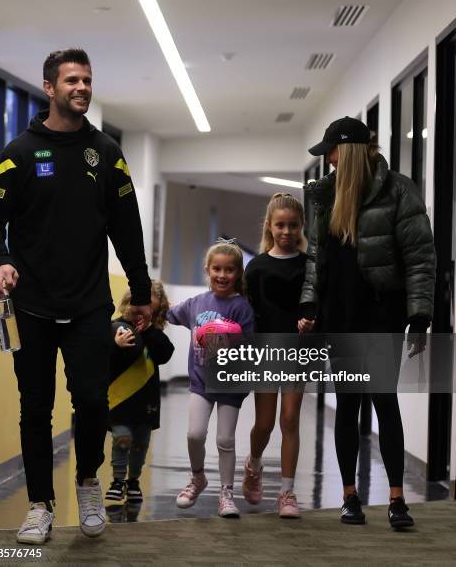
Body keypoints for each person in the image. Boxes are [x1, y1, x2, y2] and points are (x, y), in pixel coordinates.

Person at [0, 48, 152, 544]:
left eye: (88, 80)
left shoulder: (108, 154)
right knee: (35, 408)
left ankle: (89, 481)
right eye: (72, 80)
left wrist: (139, 291)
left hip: (88, 305)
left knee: (93, 401)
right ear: (49, 87)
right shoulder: (21, 151)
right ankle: (39, 505)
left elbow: (127, 229)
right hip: (30, 306)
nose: (82, 87)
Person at [298, 116, 435, 529]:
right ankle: (349, 496)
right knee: (348, 404)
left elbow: (420, 257)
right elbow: (315, 260)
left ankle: (397, 500)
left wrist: (420, 314)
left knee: (383, 401)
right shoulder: (324, 195)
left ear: (349, 151)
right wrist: (309, 306)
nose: (329, 162)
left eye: (332, 153)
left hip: (381, 312)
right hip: (340, 313)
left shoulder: (398, 190)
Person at [167, 240, 254, 518]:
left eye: (229, 270)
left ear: (238, 273)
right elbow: (169, 313)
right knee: (195, 434)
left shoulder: (242, 307)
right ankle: (198, 478)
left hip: (230, 384)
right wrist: (149, 306)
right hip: (201, 383)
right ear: (207, 269)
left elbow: (249, 346)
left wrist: (228, 343)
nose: (222, 275)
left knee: (225, 439)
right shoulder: (196, 304)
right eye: (216, 268)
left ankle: (227, 493)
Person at [242, 193, 310, 517]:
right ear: (269, 225)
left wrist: (311, 322)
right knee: (265, 423)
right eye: (280, 224)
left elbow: (316, 305)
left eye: (293, 225)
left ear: (301, 226)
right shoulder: (256, 267)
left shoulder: (309, 266)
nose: (286, 231)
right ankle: (253, 463)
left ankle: (287, 493)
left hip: (299, 351)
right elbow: (246, 312)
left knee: (290, 419)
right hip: (265, 353)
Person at [105, 280, 174, 504]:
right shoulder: (116, 327)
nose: (140, 317)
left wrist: (150, 331)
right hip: (120, 397)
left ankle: (133, 481)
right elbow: (101, 355)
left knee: (141, 443)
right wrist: (114, 344)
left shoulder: (154, 334)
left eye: (149, 312)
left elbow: (165, 354)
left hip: (146, 400)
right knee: (121, 438)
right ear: (129, 304)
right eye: (137, 311)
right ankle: (117, 480)